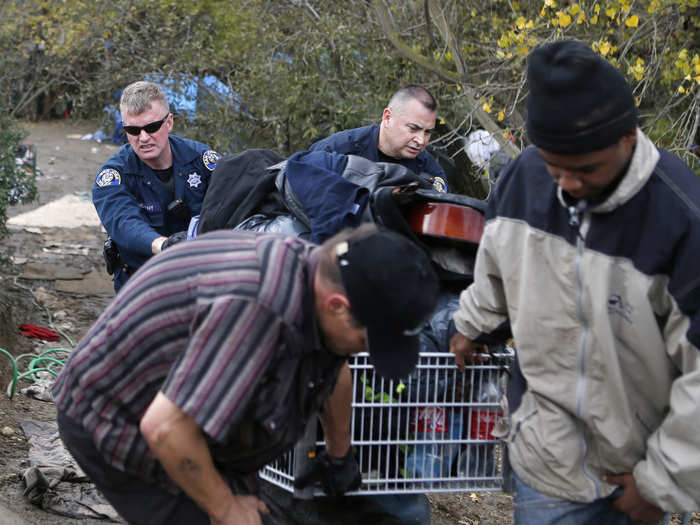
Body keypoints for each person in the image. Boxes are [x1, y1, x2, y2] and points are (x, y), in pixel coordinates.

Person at [449, 39, 700, 525]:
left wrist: (662, 482)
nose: (566, 183)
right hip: (546, 460)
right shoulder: (524, 178)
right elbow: (496, 267)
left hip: (634, 470)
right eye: (553, 167)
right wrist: (471, 324)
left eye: (585, 169)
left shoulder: (681, 217)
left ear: (628, 137)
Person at [53, 224, 440, 525]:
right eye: (367, 340)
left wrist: (340, 456)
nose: (367, 351)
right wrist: (224, 508)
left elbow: (334, 366)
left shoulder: (324, 275)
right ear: (337, 305)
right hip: (121, 417)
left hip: (191, 420)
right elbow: (164, 428)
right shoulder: (258, 309)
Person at [92, 80, 221, 292]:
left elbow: (233, 201)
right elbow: (123, 222)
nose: (143, 138)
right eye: (133, 130)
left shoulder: (202, 160)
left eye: (151, 127)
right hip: (141, 284)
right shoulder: (113, 176)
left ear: (169, 122)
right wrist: (164, 246)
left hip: (200, 281)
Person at [309, 85, 449, 193]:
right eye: (413, 128)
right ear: (388, 118)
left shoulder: (429, 169)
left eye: (427, 132)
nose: (421, 140)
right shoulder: (337, 150)